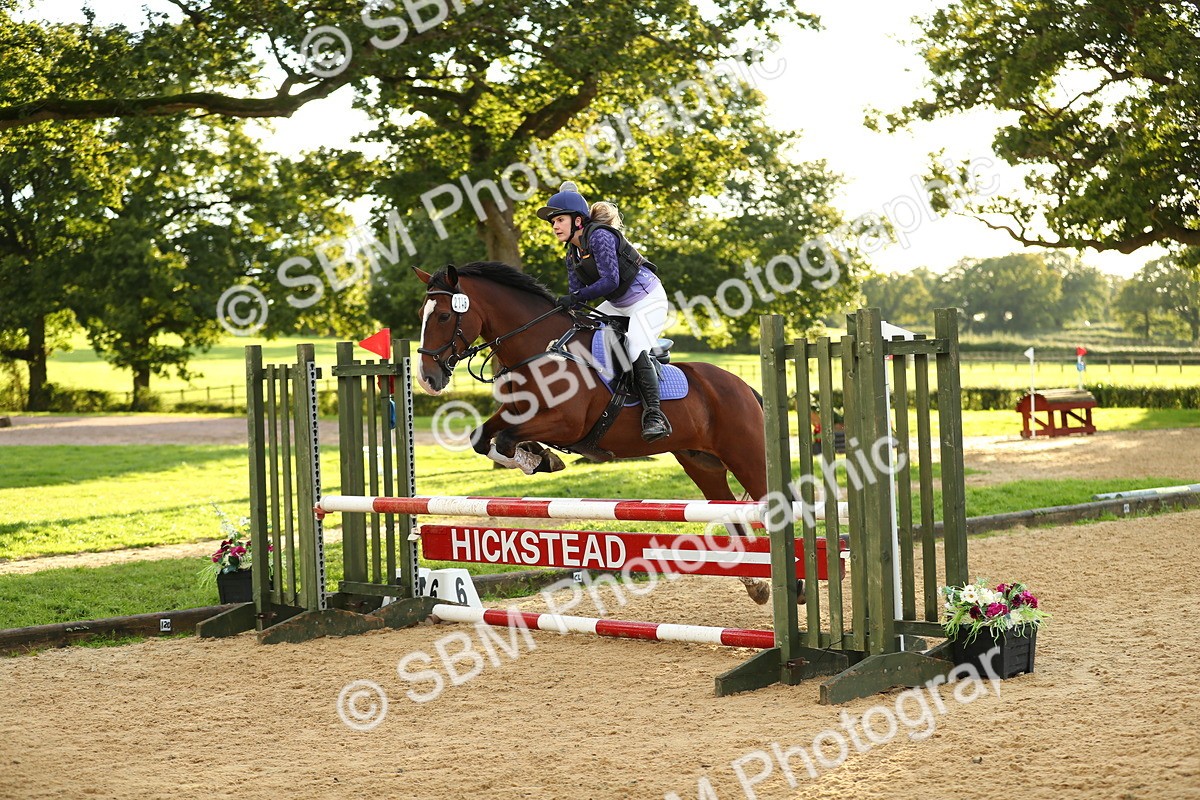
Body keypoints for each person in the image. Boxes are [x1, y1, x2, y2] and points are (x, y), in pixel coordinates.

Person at [536, 181, 672, 442]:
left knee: (633, 348)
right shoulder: (572, 254)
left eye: (560, 220)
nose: (554, 226)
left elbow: (610, 281)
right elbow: (576, 300)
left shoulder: (599, 236)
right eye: (552, 222)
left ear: (578, 221)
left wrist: (574, 297)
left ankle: (654, 415)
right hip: (619, 303)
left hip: (648, 299)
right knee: (580, 329)